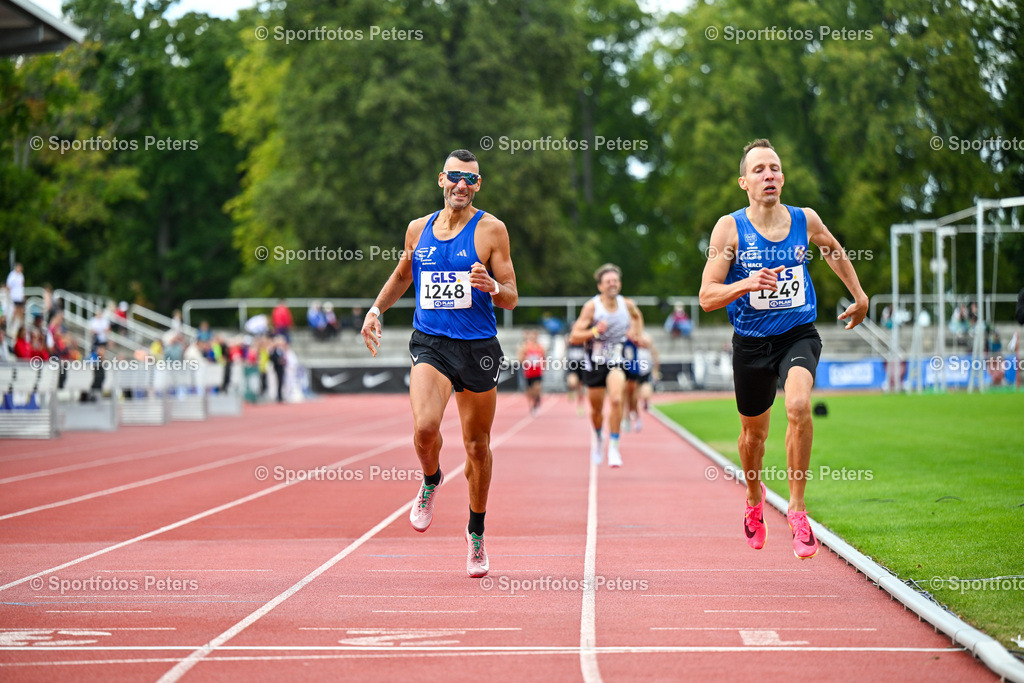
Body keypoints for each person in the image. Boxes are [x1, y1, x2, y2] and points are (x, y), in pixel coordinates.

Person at [698, 138, 868, 560]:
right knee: (753, 436)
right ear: (744, 182)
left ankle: (796, 509)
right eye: (759, 170)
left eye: (774, 168)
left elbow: (831, 249)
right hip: (752, 343)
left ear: (783, 178)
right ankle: (755, 499)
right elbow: (706, 296)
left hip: (798, 333)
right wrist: (747, 282)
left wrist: (859, 294)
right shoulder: (729, 228)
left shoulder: (804, 219)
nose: (768, 175)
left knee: (797, 406)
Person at [361, 149, 517, 578]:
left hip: (479, 347)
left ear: (478, 185)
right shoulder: (418, 229)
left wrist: (492, 287)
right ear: (441, 180)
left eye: (470, 179)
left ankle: (476, 530)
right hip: (430, 342)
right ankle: (431, 480)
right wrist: (375, 311)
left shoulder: (491, 230)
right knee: (425, 428)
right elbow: (401, 277)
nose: (461, 185)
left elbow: (512, 294)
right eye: (454, 177)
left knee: (477, 447)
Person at [568, 263, 644, 468]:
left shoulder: (626, 304)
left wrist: (635, 334)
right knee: (596, 410)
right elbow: (574, 336)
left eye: (615, 281)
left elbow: (637, 316)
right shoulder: (592, 307)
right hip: (594, 362)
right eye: (608, 281)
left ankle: (614, 447)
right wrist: (594, 332)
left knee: (617, 399)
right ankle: (599, 438)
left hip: (616, 360)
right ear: (600, 286)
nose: (612, 284)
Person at [517, 328, 545, 415]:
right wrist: (526, 359)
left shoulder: (541, 347)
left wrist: (543, 366)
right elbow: (520, 358)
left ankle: (535, 404)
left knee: (537, 388)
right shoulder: (525, 347)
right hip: (528, 372)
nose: (533, 339)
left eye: (534, 337)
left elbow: (544, 358)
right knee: (530, 392)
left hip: (538, 372)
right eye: (531, 337)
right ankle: (533, 404)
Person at [564, 336, 587, 416]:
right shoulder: (571, 339)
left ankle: (580, 407)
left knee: (580, 389)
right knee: (572, 382)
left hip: (582, 365)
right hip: (572, 365)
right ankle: (571, 389)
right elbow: (566, 344)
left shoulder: (584, 340)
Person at [6, 263, 25, 332]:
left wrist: (22, 295)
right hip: (14, 296)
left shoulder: (21, 275)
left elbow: (22, 286)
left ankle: (20, 325)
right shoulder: (12, 275)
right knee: (15, 311)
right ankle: (12, 325)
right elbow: (8, 286)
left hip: (19, 296)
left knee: (21, 311)